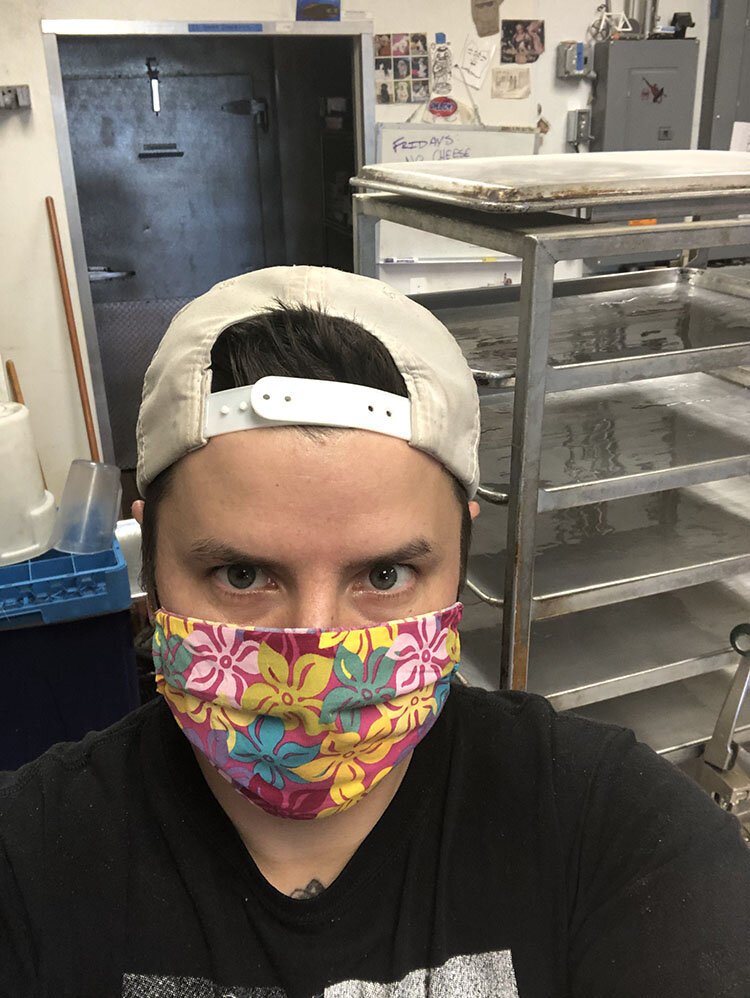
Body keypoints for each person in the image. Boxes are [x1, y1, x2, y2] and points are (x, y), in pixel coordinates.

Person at [1, 266, 749, 997]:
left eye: (385, 576)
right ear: (152, 563)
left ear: (460, 559)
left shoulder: (614, 830)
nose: (313, 652)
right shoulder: (29, 858)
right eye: (241, 575)